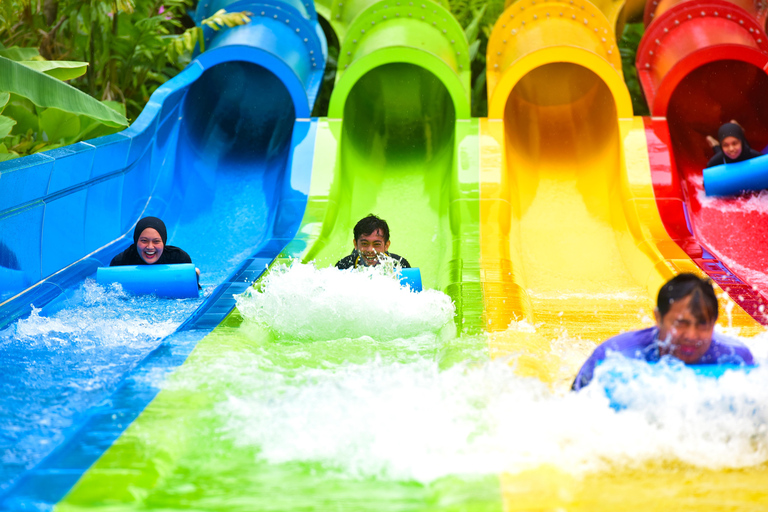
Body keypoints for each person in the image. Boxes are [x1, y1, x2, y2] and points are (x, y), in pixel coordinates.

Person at [572, 273, 754, 391]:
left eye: (702, 324)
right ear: (658, 318)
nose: (691, 336)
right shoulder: (615, 354)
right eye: (681, 323)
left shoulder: (735, 358)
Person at [110, 217, 200, 278]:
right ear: (136, 241)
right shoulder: (121, 261)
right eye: (144, 241)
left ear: (164, 242)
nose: (150, 247)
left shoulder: (178, 259)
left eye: (156, 241)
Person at [335, 214, 411, 270]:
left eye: (377, 244)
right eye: (364, 243)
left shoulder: (400, 265)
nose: (370, 250)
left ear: (386, 245)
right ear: (355, 244)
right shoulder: (343, 266)